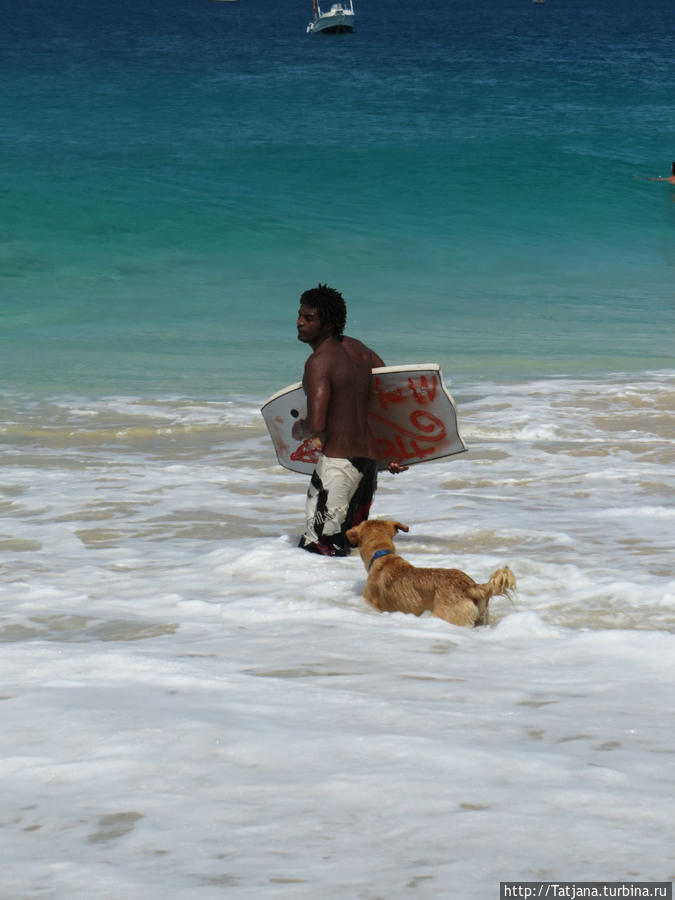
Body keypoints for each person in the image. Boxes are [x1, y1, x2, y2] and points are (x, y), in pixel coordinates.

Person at [292, 284, 405, 556]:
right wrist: (396, 451)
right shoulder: (361, 351)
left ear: (328, 323)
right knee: (351, 543)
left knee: (319, 544)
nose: (299, 323)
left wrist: (299, 430)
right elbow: (391, 399)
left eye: (309, 318)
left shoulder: (319, 362)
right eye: (299, 315)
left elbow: (317, 426)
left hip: (339, 467)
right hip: (367, 466)